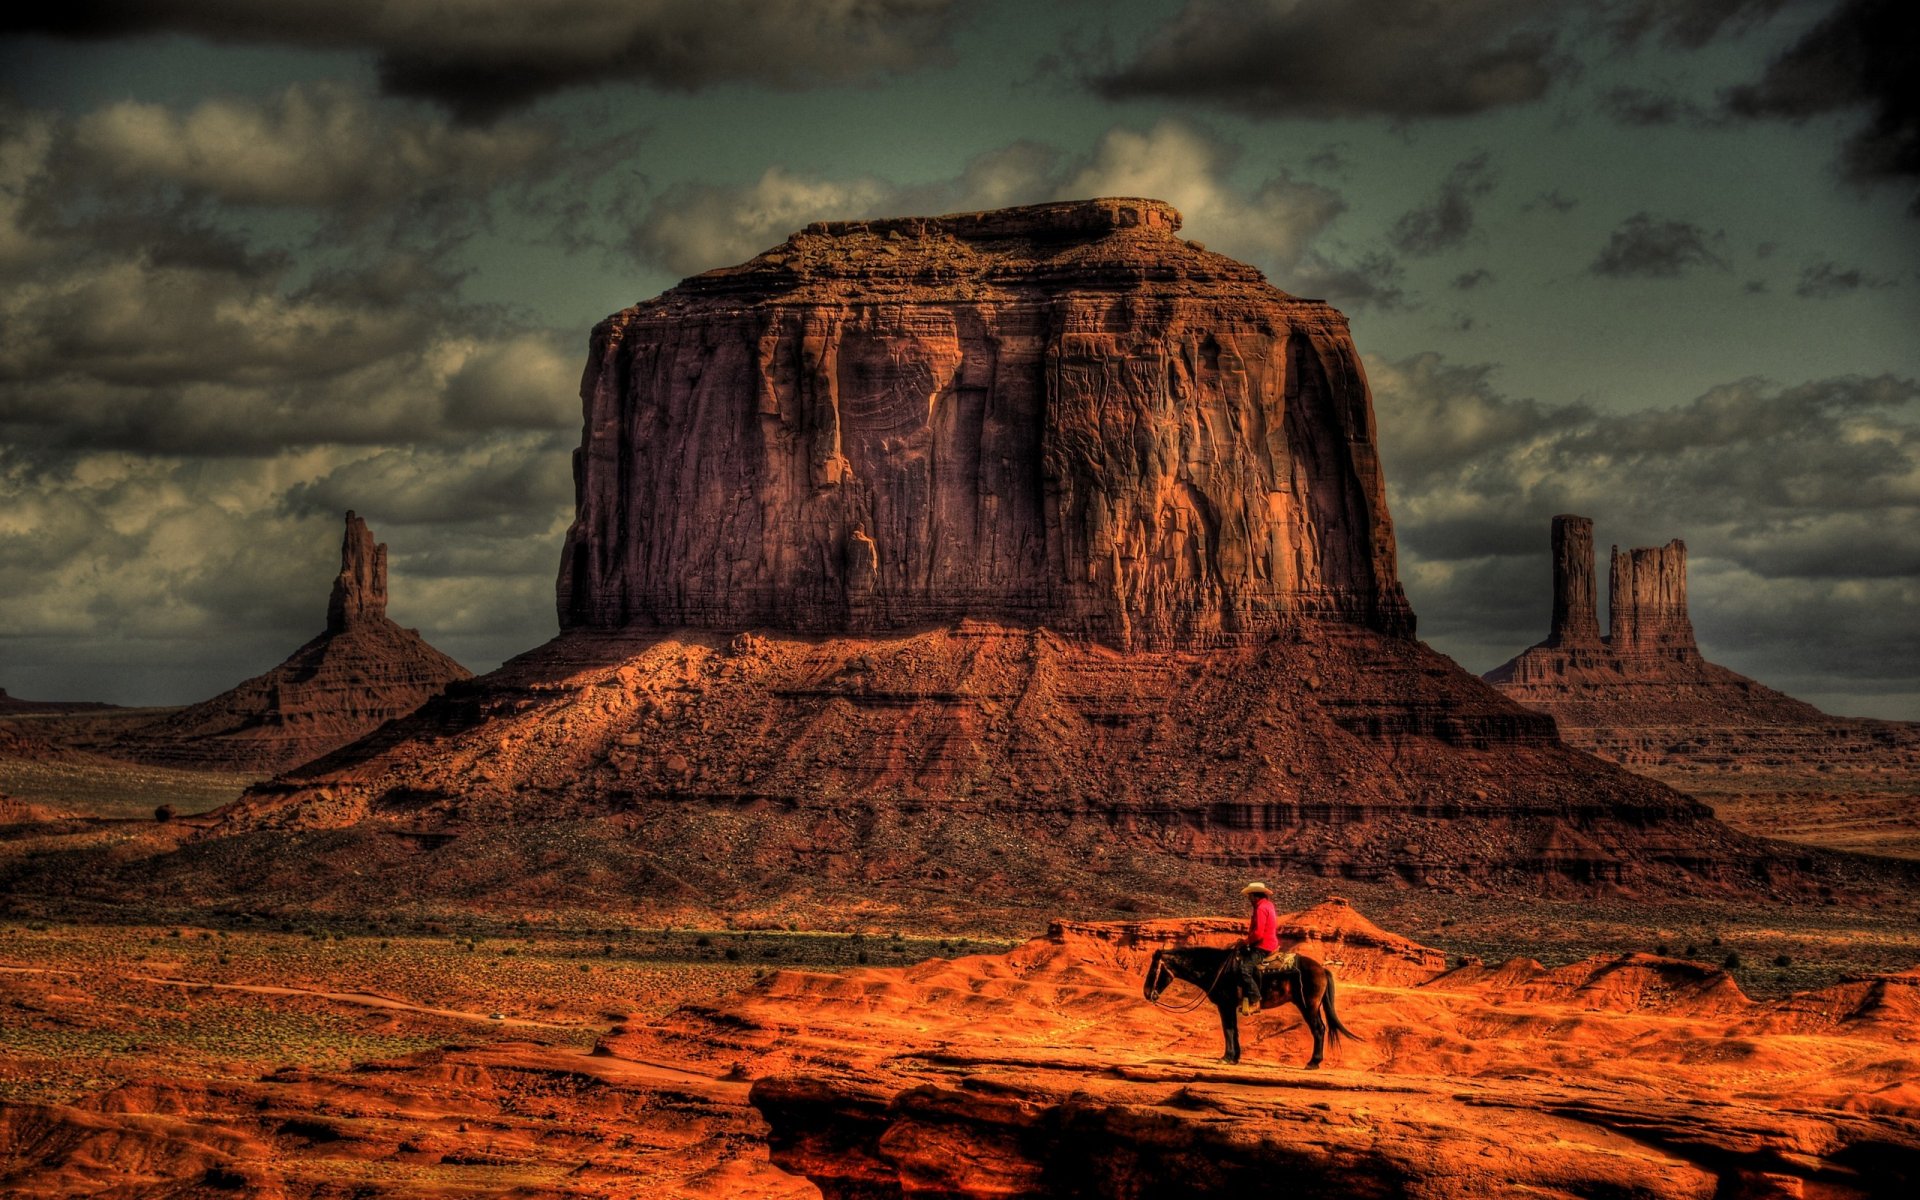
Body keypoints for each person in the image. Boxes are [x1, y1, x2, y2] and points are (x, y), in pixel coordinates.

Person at [1237, 881, 1279, 1016]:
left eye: (1250, 896)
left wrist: (1245, 942)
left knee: (1244, 969)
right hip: (1270, 942)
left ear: (1255, 896)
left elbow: (1259, 933)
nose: (1249, 899)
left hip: (1263, 946)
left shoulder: (1260, 908)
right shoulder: (1268, 905)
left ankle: (1255, 1001)